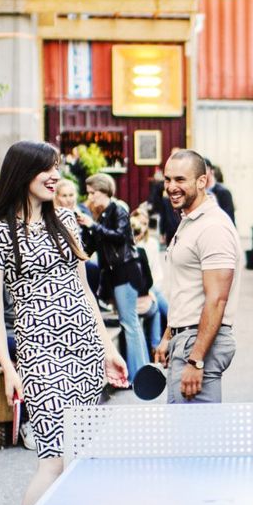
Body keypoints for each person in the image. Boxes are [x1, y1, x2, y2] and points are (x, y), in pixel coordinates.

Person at [0, 141, 126, 505]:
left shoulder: (63, 223)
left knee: (74, 459)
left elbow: (84, 289)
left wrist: (106, 349)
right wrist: (8, 365)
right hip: (41, 354)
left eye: (58, 168)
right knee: (53, 461)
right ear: (24, 172)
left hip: (82, 350)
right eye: (48, 168)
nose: (55, 176)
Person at [153, 148, 239, 403]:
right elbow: (187, 288)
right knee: (186, 435)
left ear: (202, 181)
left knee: (198, 438)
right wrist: (169, 335)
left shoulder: (213, 227)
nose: (171, 187)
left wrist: (196, 360)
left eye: (180, 180)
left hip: (198, 343)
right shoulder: (191, 220)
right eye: (168, 179)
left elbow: (216, 299)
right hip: (186, 338)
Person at [84, 173, 152, 379]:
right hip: (117, 274)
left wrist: (92, 225)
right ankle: (141, 372)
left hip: (126, 271)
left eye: (92, 193)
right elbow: (94, 244)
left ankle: (139, 375)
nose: (90, 197)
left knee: (129, 323)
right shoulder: (103, 214)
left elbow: (121, 236)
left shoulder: (118, 208)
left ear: (104, 191)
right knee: (130, 323)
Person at [131, 205, 171, 350]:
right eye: (139, 223)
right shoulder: (131, 244)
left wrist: (152, 290)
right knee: (161, 308)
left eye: (145, 224)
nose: (141, 227)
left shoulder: (151, 244)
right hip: (139, 289)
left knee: (157, 303)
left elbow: (156, 272)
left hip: (151, 285)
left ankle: (156, 346)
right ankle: (173, 328)